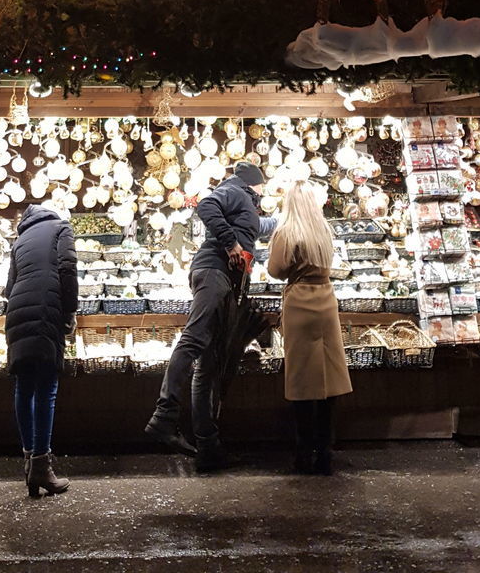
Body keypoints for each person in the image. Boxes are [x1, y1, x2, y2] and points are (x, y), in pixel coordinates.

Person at [145, 160, 276, 471]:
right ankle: (164, 416)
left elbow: (262, 227)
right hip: (214, 272)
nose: (263, 191)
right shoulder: (235, 191)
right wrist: (231, 244)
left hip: (223, 280)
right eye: (262, 185)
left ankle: (208, 448)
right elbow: (206, 206)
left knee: (208, 363)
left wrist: (290, 219)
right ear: (253, 183)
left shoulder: (247, 207)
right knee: (194, 340)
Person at [267, 180, 352, 475]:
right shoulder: (324, 231)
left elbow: (275, 270)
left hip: (300, 303)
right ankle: (325, 452)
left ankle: (303, 453)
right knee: (329, 380)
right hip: (326, 301)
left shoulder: (287, 232)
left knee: (303, 380)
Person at [4, 201, 78, 498]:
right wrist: (70, 312)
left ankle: (29, 461)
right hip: (47, 308)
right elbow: (67, 268)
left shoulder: (20, 239)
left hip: (18, 312)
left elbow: (9, 286)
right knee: (46, 387)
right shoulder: (61, 228)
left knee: (24, 386)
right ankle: (42, 465)